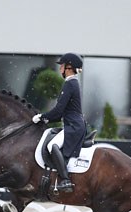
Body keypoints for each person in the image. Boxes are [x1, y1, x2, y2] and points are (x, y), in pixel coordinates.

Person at [32, 53, 86, 192]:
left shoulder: (70, 84)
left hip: (73, 126)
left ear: (69, 67)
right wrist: (46, 119)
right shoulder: (72, 83)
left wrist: (42, 116)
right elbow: (59, 114)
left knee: (52, 145)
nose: (60, 68)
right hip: (73, 124)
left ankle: (65, 180)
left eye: (62, 65)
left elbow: (58, 110)